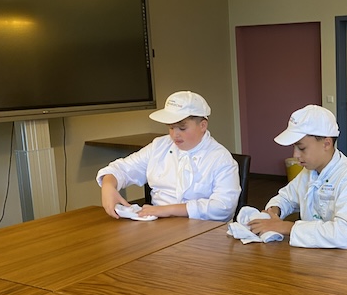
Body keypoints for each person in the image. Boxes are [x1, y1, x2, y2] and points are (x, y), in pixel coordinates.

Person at [97, 90, 240, 221]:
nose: (174, 134)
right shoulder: (159, 146)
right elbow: (122, 168)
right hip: (160, 226)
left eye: (182, 128)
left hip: (204, 230)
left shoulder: (220, 158)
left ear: (203, 125)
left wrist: (168, 210)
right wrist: (108, 186)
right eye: (171, 127)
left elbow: (223, 207)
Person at [248, 104, 347, 249]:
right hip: (313, 252)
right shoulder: (309, 171)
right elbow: (286, 197)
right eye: (294, 147)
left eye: (302, 148)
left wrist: (286, 227)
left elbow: (344, 235)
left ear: (326, 144)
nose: (295, 155)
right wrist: (275, 210)